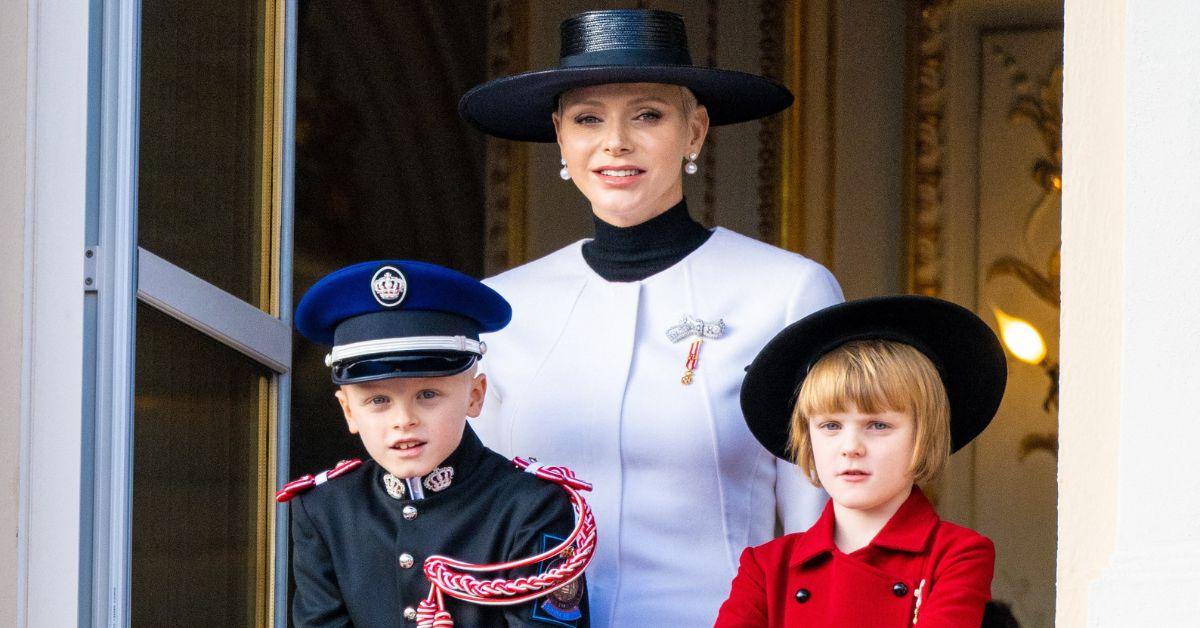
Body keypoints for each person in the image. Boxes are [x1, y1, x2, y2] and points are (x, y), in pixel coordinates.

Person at [458, 8, 843, 626]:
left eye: (648, 115)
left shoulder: (786, 292)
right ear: (560, 136)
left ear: (695, 131)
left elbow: (823, 525)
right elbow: (470, 520)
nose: (616, 142)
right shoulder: (498, 308)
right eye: (588, 119)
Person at [279, 260, 591, 627]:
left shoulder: (530, 507)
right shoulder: (326, 510)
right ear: (348, 411)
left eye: (428, 394)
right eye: (378, 401)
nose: (403, 420)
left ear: (475, 396)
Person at [715, 295, 1008, 626]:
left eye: (878, 425)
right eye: (831, 426)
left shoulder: (957, 555)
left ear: (924, 435)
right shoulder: (766, 567)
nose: (850, 447)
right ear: (807, 438)